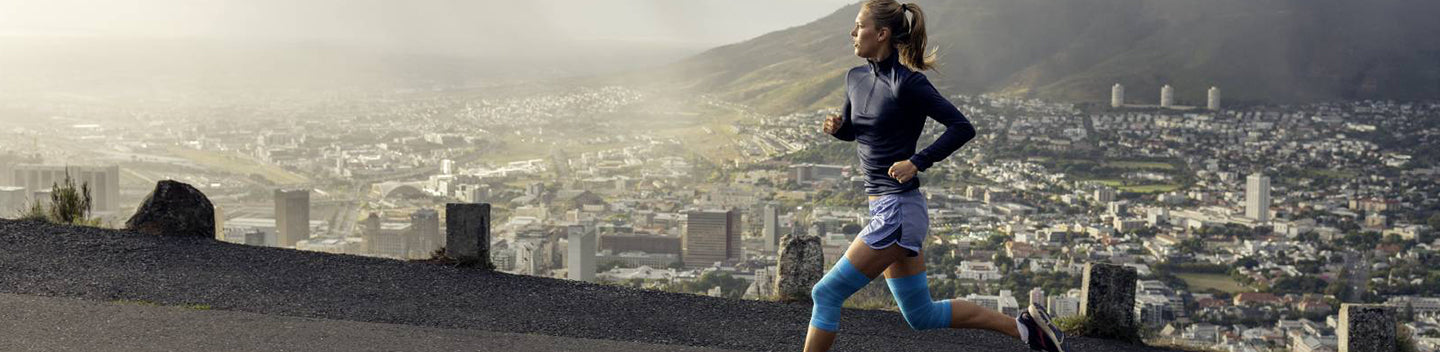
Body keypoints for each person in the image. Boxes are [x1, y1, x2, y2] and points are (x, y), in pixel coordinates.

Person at [805, 1, 1067, 351]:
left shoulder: (909, 83)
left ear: (881, 34)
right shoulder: (854, 78)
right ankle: (1026, 330)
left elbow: (962, 127)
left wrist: (917, 161)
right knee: (921, 314)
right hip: (886, 209)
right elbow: (861, 131)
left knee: (826, 293)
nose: (852, 33)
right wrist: (840, 130)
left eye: (858, 26)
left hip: (898, 210)